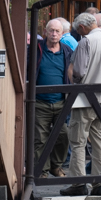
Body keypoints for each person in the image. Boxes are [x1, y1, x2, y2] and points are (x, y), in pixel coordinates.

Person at [65, 12, 101, 195]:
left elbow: (79, 72)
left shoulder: (86, 42)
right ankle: (99, 183)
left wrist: (75, 81)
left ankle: (78, 183)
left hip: (85, 99)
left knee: (78, 141)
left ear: (82, 27)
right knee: (100, 142)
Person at [31, 17, 76, 180]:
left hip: (61, 101)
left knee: (63, 135)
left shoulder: (67, 51)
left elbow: (73, 72)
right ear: (45, 32)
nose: (54, 34)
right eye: (51, 30)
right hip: (40, 101)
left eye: (57, 31)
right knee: (40, 138)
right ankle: (42, 170)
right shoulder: (36, 49)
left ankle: (56, 166)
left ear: (62, 33)